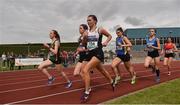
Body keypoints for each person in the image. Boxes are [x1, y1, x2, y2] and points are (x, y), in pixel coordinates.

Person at [81, 15, 116, 102]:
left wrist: (106, 42)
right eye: (87, 20)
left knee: (85, 70)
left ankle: (87, 92)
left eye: (90, 20)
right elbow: (84, 43)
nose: (88, 22)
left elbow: (109, 36)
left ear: (95, 21)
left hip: (97, 52)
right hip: (89, 53)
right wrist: (84, 38)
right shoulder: (86, 31)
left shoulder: (100, 29)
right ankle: (112, 81)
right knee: (101, 70)